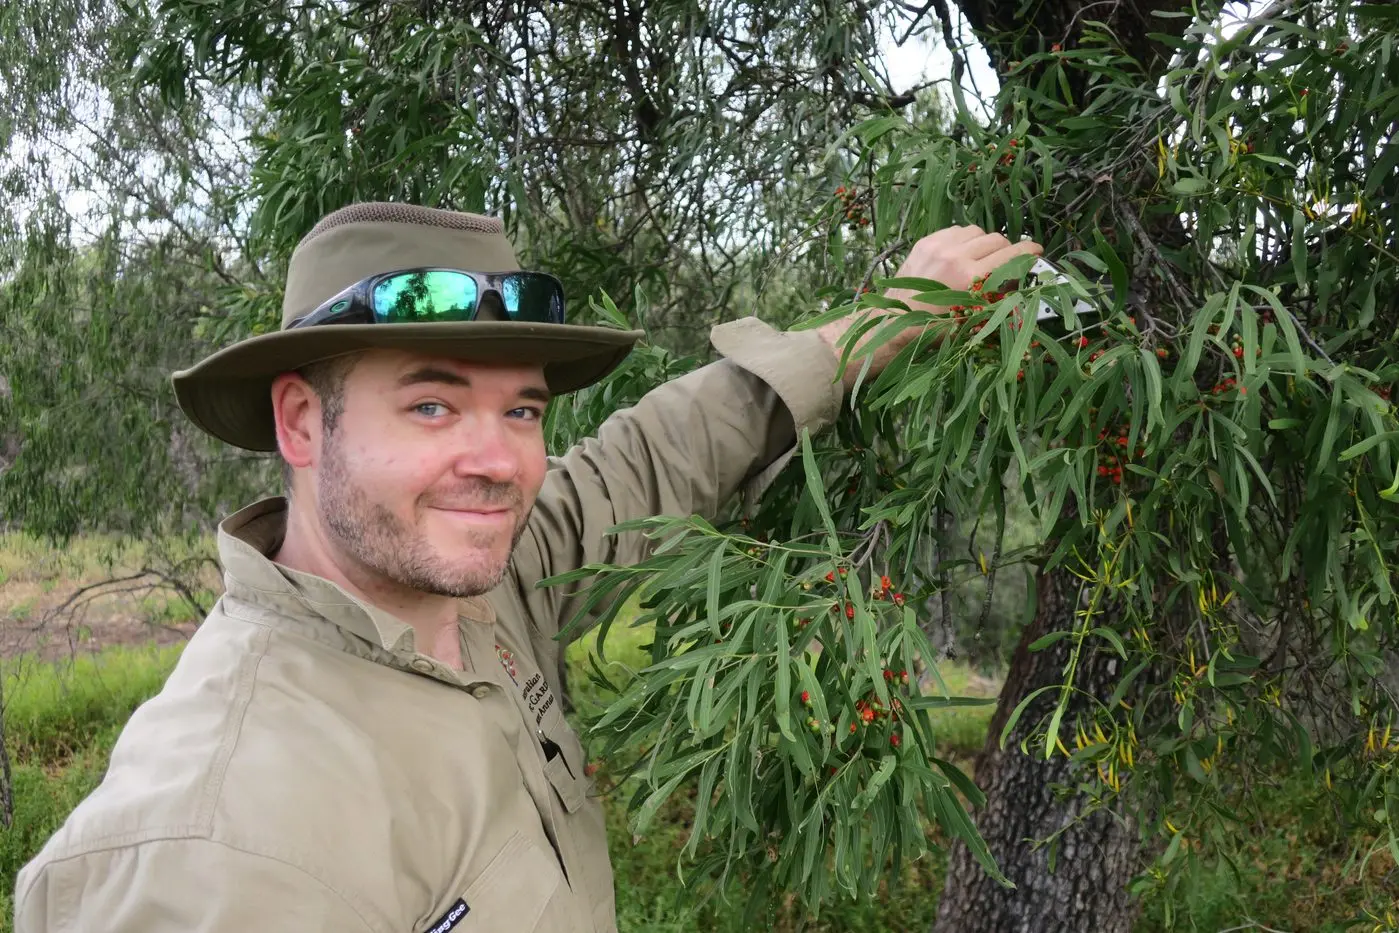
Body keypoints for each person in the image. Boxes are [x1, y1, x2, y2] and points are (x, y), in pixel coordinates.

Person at [13, 202, 1041, 932]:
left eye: (522, 410)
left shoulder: (483, 586)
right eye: (431, 405)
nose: (499, 460)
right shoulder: (216, 839)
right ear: (299, 422)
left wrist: (885, 318)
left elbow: (652, 458)